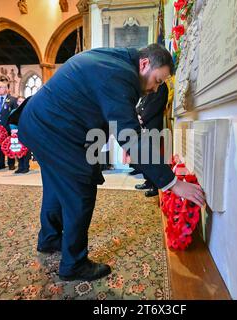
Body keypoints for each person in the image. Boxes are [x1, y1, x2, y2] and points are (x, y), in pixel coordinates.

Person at [18, 44, 205, 282]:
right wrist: (172, 183)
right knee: (80, 190)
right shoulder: (121, 74)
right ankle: (73, 264)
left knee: (56, 185)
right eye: (157, 80)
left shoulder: (119, 62)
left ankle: (50, 239)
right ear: (145, 64)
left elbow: (95, 101)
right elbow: (131, 138)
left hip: (38, 123)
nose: (155, 88)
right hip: (53, 130)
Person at [134, 82, 169, 197]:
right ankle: (148, 181)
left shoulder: (162, 86)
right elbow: (141, 103)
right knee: (144, 156)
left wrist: (142, 118)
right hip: (143, 126)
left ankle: (155, 186)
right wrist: (137, 114)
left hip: (152, 126)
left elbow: (155, 106)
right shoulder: (149, 86)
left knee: (152, 156)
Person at [9, 96, 31, 174]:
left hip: (26, 133)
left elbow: (29, 124)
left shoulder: (28, 111)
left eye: (22, 101)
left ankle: (26, 166)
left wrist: (19, 130)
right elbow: (11, 122)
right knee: (18, 149)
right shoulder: (13, 111)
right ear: (17, 102)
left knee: (26, 150)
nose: (21, 103)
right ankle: (20, 166)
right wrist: (13, 130)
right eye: (19, 101)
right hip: (16, 134)